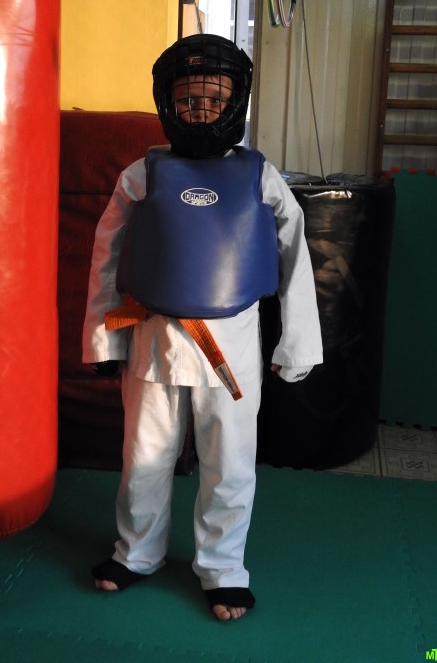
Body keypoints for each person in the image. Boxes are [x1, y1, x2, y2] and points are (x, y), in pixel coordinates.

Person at [82, 34, 323, 621]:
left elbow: (295, 255)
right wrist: (102, 336)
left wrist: (297, 342)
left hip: (231, 345)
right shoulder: (143, 173)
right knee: (143, 457)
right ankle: (137, 553)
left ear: (235, 102)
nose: (202, 110)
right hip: (154, 338)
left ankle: (223, 569)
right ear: (169, 103)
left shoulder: (259, 175)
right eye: (189, 99)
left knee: (229, 462)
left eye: (215, 99)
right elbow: (107, 255)